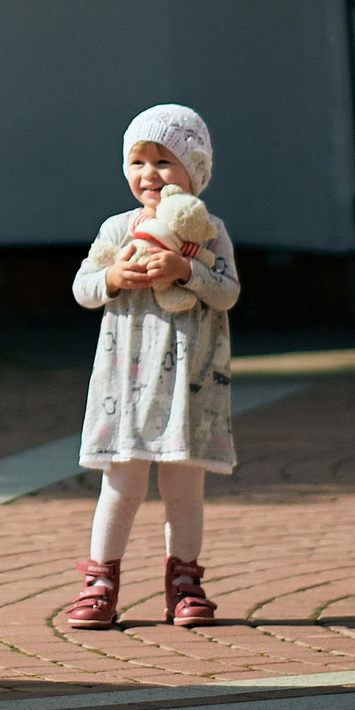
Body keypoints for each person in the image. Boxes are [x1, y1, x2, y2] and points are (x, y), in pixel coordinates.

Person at [62, 105, 242, 630]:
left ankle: (184, 583)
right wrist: (113, 277)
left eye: (164, 162)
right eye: (138, 161)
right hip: (127, 385)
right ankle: (100, 582)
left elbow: (228, 292)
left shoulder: (209, 231)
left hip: (189, 385)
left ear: (195, 170)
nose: (149, 174)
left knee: (184, 488)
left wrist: (187, 270)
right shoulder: (118, 229)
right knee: (121, 484)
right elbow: (83, 287)